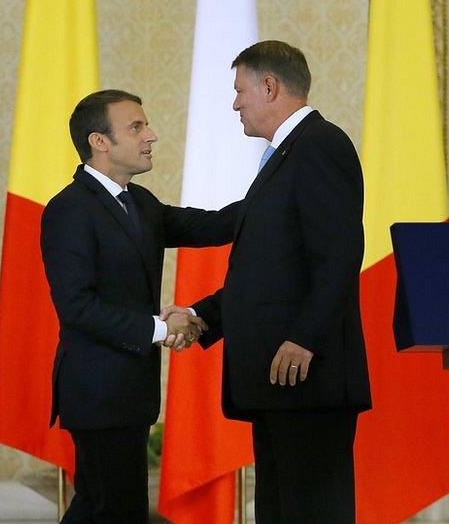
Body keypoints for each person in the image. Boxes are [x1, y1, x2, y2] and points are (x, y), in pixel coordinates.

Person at [164, 40, 372, 522]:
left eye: (240, 91)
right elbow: (267, 271)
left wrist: (304, 338)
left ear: (270, 86)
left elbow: (339, 256)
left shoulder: (320, 145)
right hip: (283, 383)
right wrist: (201, 315)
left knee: (311, 509)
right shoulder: (286, 156)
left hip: (309, 377)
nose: (235, 103)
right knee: (281, 510)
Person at [40, 89, 237, 523]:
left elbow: (214, 224)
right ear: (100, 141)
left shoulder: (141, 202)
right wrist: (161, 329)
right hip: (96, 392)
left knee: (113, 509)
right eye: (137, 127)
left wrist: (277, 193)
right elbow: (77, 307)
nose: (152, 135)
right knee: (107, 508)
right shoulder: (69, 210)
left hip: (129, 393)